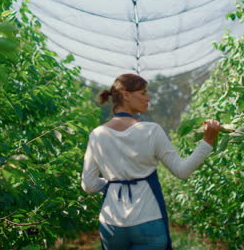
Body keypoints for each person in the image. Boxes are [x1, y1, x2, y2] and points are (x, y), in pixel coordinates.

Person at [81, 73, 220, 250]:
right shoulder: (151, 131)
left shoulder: (97, 135)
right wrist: (208, 141)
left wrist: (113, 182)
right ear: (126, 95)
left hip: (111, 222)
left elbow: (89, 185)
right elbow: (182, 171)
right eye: (143, 93)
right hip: (147, 219)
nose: (148, 98)